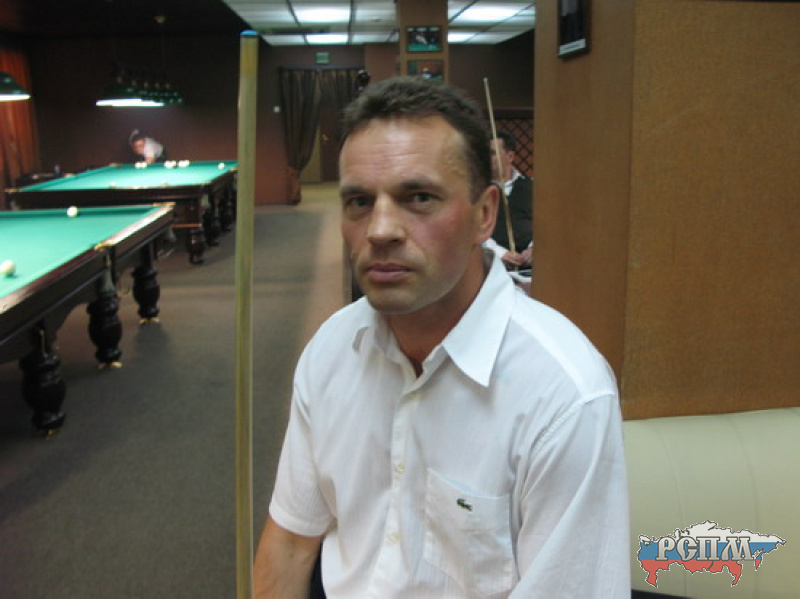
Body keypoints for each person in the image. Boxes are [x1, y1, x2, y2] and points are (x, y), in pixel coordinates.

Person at [253, 77, 629, 598]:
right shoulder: (332, 347)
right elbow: (293, 541)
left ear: (484, 215)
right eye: (359, 201)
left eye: (419, 197)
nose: (380, 229)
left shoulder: (564, 397)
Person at [486, 130, 533, 269]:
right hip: (493, 267)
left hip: (532, 270)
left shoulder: (533, 187)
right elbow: (472, 229)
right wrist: (501, 253)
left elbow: (548, 223)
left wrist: (534, 249)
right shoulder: (479, 190)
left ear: (510, 156)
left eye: (492, 153)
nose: (486, 158)